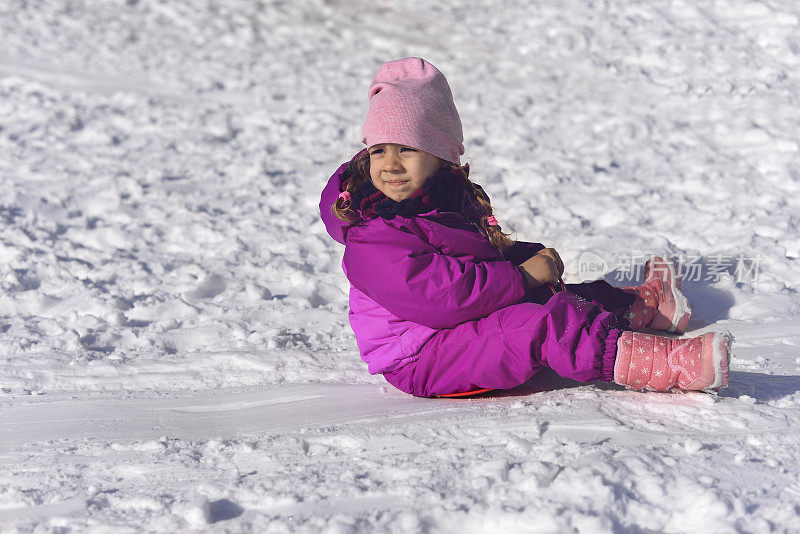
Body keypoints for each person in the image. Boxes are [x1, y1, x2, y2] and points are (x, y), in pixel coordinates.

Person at [319, 57, 732, 398]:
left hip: (451, 332)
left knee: (551, 297)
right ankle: (666, 366)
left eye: (407, 148)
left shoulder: (439, 202)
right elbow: (444, 296)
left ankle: (639, 309)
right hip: (423, 356)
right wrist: (519, 275)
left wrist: (524, 261)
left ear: (440, 155)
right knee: (537, 322)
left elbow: (473, 262)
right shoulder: (372, 235)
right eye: (378, 151)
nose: (390, 164)